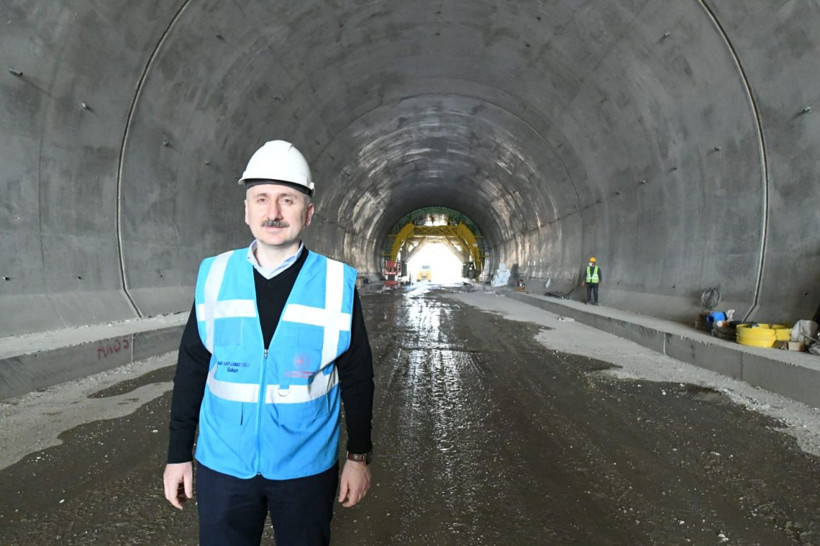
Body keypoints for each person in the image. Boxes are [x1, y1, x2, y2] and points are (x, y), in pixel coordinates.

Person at [162, 140, 374, 546]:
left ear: (308, 213)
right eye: (261, 199)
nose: (273, 212)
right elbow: (191, 369)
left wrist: (358, 457)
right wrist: (178, 455)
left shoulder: (336, 283)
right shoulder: (216, 275)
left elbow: (358, 378)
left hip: (306, 467)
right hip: (223, 464)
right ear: (246, 210)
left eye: (287, 200)